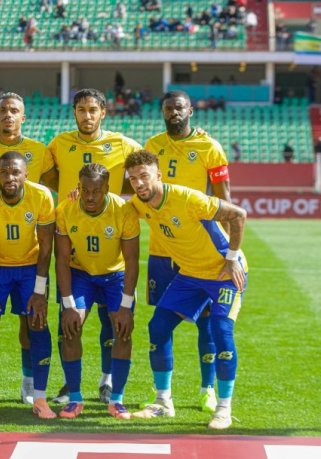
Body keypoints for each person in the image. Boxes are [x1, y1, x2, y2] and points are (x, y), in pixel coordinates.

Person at [126, 150, 248, 430]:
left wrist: (231, 258)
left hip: (223, 273)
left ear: (158, 175)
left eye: (144, 176)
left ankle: (224, 409)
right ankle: (162, 402)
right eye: (133, 179)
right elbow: (113, 207)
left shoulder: (188, 198)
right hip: (190, 275)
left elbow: (238, 215)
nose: (139, 183)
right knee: (158, 326)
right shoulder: (138, 204)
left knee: (221, 330)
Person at [47, 88, 142, 404]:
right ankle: (69, 386)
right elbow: (40, 171)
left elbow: (149, 165)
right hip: (75, 247)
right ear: (74, 112)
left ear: (103, 112)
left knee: (112, 325)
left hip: (110, 247)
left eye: (92, 110)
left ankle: (107, 381)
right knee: (70, 323)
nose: (87, 116)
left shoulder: (123, 144)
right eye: (81, 110)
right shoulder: (59, 144)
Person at [142, 90, 232, 413]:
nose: (174, 113)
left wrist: (229, 251)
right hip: (162, 248)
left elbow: (224, 199)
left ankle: (207, 389)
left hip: (198, 248)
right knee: (161, 323)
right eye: (168, 108)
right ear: (163, 112)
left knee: (207, 322)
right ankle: (163, 396)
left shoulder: (209, 147)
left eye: (179, 108)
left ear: (190, 110)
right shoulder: (152, 145)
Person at [0, 92, 56, 404]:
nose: (8, 114)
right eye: (3, 110)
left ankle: (30, 383)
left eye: (14, 110)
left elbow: (47, 244)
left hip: (28, 264)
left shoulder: (39, 154)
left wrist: (41, 289)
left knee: (32, 321)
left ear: (23, 116)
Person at [55, 163, 139, 419]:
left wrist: (126, 306)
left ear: (107, 188)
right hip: (81, 274)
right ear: (78, 187)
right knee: (70, 328)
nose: (90, 196)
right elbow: (61, 260)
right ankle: (75, 398)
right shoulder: (66, 209)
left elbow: (132, 261)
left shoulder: (124, 211)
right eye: (85, 190)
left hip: (116, 277)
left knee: (122, 331)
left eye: (96, 191)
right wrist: (68, 305)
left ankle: (117, 400)